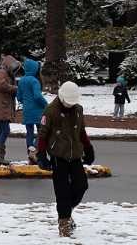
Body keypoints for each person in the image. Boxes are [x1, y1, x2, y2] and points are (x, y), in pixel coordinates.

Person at [36, 81, 94, 238]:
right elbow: (42, 135)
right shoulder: (50, 111)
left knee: (81, 185)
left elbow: (81, 131)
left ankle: (66, 213)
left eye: (72, 103)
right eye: (68, 102)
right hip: (58, 156)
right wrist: (41, 155)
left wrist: (88, 148)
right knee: (62, 192)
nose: (70, 105)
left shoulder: (78, 110)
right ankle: (64, 225)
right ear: (61, 98)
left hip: (75, 155)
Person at [0, 55, 20, 165]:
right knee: (5, 130)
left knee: (1, 130)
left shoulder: (7, 74)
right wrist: (16, 88)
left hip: (2, 107)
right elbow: (3, 86)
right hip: (1, 107)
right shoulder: (1, 73)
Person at [16, 58, 48, 163]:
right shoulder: (34, 81)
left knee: (29, 132)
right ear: (34, 69)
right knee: (41, 132)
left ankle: (30, 154)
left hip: (26, 110)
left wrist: (26, 101)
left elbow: (19, 97)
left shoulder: (21, 81)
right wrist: (46, 105)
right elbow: (38, 96)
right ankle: (34, 150)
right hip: (37, 110)